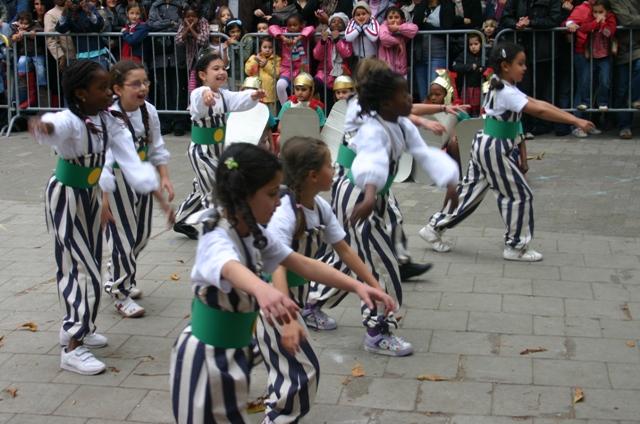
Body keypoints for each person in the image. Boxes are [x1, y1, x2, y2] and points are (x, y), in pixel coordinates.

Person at [170, 142, 396, 424]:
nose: (279, 202)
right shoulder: (216, 231)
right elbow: (228, 266)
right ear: (243, 195)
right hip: (205, 359)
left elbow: (302, 263)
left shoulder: (255, 231)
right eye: (271, 193)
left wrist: (360, 286)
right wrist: (264, 290)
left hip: (233, 352)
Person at [312, 67, 459, 355]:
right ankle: (378, 331)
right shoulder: (372, 128)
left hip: (371, 196)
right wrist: (369, 196)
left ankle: (312, 303)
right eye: (404, 95)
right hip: (360, 197)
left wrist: (450, 180)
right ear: (387, 103)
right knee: (382, 265)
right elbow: (373, 160)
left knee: (351, 259)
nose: (411, 99)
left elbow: (423, 152)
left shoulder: (400, 123)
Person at [28, 59, 159, 375]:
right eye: (102, 88)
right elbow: (57, 126)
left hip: (88, 196)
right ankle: (73, 347)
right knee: (82, 270)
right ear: (81, 93)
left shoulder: (108, 120)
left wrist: (151, 187)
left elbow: (129, 158)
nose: (109, 93)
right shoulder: (73, 120)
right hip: (66, 196)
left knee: (88, 265)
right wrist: (46, 128)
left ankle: (77, 327)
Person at [419, 42, 595, 262]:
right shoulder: (504, 90)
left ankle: (433, 227)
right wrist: (574, 119)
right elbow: (539, 110)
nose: (524, 68)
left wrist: (573, 118)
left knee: (470, 193)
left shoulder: (503, 86)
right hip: (494, 147)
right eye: (520, 64)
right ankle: (515, 246)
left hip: (486, 144)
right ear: (505, 66)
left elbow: (537, 103)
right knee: (519, 195)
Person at [257, 136, 391, 423]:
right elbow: (277, 267)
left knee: (256, 355)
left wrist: (373, 286)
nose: (336, 169)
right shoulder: (283, 213)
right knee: (301, 371)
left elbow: (344, 249)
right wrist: (289, 320)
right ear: (313, 175)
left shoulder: (319, 207)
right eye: (330, 165)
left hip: (290, 299)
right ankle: (277, 417)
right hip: (271, 301)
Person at [100, 60, 175, 317]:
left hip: (141, 176)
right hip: (116, 178)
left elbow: (156, 146)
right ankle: (121, 293)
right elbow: (104, 161)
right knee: (123, 238)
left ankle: (115, 272)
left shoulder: (148, 111)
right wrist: (104, 197)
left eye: (146, 82)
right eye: (136, 84)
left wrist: (163, 176)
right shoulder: (108, 114)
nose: (142, 88)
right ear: (118, 88)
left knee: (141, 235)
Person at [173, 53, 267, 239]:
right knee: (216, 189)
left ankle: (183, 219)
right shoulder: (198, 95)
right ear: (202, 75)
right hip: (202, 153)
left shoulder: (224, 95)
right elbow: (198, 96)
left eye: (223, 68)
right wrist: (205, 92)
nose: (222, 72)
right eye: (215, 69)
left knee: (203, 187)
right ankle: (217, 233)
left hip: (219, 151)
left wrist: (253, 96)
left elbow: (240, 99)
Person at [500, 0, 562, 138]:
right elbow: (505, 17)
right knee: (523, 89)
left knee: (543, 90)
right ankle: (524, 126)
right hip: (521, 51)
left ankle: (544, 124)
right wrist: (516, 24)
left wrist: (531, 22)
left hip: (543, 52)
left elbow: (553, 19)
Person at [564, 0, 612, 138]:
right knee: (583, 87)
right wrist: (570, 24)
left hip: (598, 54)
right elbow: (567, 22)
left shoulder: (602, 10)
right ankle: (577, 125)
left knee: (592, 88)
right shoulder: (582, 8)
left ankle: (586, 125)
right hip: (583, 53)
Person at [147, 0, 189, 136]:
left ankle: (179, 123)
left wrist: (165, 28)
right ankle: (165, 122)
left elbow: (183, 26)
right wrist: (171, 23)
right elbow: (151, 24)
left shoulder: (182, 4)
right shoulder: (155, 5)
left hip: (178, 53)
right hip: (160, 54)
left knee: (178, 88)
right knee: (163, 89)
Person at [410, 0, 455, 103]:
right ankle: (425, 118)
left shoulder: (447, 6)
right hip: (420, 56)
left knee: (435, 94)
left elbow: (446, 30)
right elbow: (416, 25)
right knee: (423, 96)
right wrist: (422, 5)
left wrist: (426, 26)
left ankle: (436, 117)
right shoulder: (421, 6)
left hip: (437, 56)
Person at [269, 12, 315, 105]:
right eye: (290, 25)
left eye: (295, 25)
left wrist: (297, 39)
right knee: (280, 86)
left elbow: (311, 29)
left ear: (301, 25)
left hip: (302, 67)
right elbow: (271, 28)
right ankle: (286, 109)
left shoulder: (304, 33)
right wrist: (283, 38)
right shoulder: (284, 33)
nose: (292, 27)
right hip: (287, 67)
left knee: (302, 91)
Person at [611, 0, 640, 139]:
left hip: (637, 48)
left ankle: (634, 98)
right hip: (624, 48)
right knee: (622, 89)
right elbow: (627, 20)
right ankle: (624, 125)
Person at [313, 12, 352, 111]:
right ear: (329, 24)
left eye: (340, 22)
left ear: (344, 25)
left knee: (332, 106)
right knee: (310, 88)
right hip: (323, 74)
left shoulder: (347, 38)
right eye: (333, 21)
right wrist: (322, 41)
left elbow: (346, 53)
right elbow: (317, 55)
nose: (336, 23)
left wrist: (337, 40)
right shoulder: (325, 36)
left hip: (339, 75)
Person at [55, 0, 109, 69]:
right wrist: (64, 11)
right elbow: (61, 29)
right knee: (84, 79)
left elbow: (99, 25)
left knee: (101, 78)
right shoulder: (68, 12)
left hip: (97, 52)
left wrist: (88, 12)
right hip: (81, 54)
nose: (74, 5)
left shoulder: (90, 7)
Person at [12, 9, 45, 109]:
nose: (23, 26)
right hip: (24, 53)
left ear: (30, 22)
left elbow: (41, 29)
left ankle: (41, 86)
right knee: (21, 62)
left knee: (40, 70)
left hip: (36, 53)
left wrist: (32, 32)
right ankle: (22, 80)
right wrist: (15, 36)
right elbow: (11, 37)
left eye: (26, 24)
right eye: (21, 23)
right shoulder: (15, 27)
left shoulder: (35, 24)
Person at [175, 3, 209, 95]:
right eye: (188, 16)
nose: (191, 18)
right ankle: (192, 100)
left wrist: (192, 29)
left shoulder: (203, 21)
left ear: (197, 15)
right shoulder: (183, 23)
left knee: (203, 80)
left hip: (204, 55)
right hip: (192, 57)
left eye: (193, 16)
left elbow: (203, 41)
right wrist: (187, 28)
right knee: (193, 79)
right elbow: (178, 41)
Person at [378, 6, 418, 78]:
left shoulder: (402, 27)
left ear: (401, 19)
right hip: (387, 70)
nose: (393, 20)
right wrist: (397, 42)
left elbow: (415, 29)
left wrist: (398, 28)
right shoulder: (384, 26)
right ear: (386, 19)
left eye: (396, 17)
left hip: (402, 70)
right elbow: (383, 37)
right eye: (390, 18)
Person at [245, 37, 281, 114]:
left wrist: (266, 65)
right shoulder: (253, 58)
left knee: (272, 117)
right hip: (257, 96)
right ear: (260, 47)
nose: (267, 50)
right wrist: (255, 61)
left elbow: (278, 73)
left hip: (271, 97)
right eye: (265, 47)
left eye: (270, 47)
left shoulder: (277, 59)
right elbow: (249, 72)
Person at [451, 33, 484, 117]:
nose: (473, 47)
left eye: (476, 44)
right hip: (467, 87)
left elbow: (490, 66)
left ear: (481, 44)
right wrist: (470, 66)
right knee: (467, 109)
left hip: (480, 87)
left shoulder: (485, 54)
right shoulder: (464, 55)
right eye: (470, 44)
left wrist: (483, 69)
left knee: (478, 110)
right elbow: (455, 66)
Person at [223, 19, 253, 90]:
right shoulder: (227, 41)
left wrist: (235, 43)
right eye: (232, 32)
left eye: (238, 31)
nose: (235, 34)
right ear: (228, 32)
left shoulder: (248, 39)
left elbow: (245, 56)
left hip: (244, 76)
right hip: (231, 76)